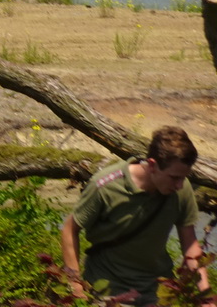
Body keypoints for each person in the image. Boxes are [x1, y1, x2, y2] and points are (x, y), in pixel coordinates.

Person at [60, 126, 212, 306]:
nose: (179, 185)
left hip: (159, 291)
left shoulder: (182, 188)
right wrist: (75, 284)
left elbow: (190, 245)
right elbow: (69, 229)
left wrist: (205, 297)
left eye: (183, 178)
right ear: (153, 164)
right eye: (174, 178)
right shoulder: (105, 186)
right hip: (109, 290)